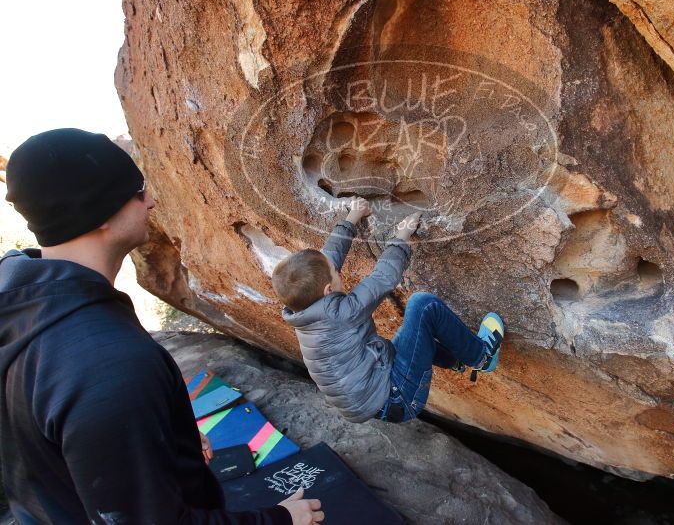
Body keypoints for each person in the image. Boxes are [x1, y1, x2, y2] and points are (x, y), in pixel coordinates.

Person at [0, 128, 323, 524]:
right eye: (138, 192)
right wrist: (281, 519)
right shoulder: (108, 365)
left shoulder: (25, 306)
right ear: (98, 212)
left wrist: (170, 443)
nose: (150, 201)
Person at [272, 198, 505, 424]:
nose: (338, 272)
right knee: (423, 306)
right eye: (336, 274)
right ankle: (482, 356)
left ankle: (454, 359)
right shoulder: (340, 315)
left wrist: (352, 217)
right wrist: (401, 236)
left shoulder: (303, 311)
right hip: (398, 397)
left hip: (375, 397)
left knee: (408, 337)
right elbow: (383, 278)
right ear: (327, 290)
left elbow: (326, 261)